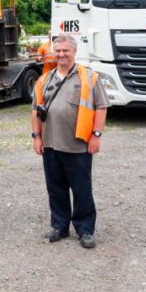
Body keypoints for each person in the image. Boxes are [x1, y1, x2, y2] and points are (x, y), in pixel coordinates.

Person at [31, 33, 108, 249]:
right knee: (55, 188)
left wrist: (96, 135)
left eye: (66, 50)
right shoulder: (44, 79)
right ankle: (60, 226)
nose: (62, 54)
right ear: (53, 51)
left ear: (74, 52)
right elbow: (35, 111)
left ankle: (85, 229)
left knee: (82, 189)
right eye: (58, 50)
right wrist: (36, 137)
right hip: (50, 144)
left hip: (78, 144)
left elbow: (101, 107)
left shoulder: (89, 77)